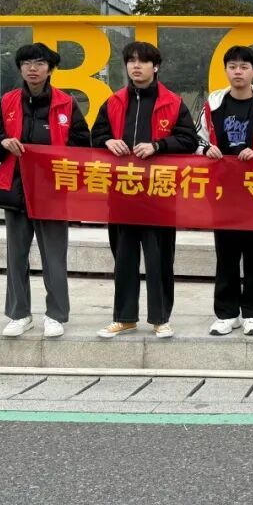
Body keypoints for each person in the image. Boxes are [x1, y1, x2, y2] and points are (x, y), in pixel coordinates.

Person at [0, 43, 90, 338]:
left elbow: (83, 145)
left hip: (52, 193)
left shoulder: (66, 104)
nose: (33, 68)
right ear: (20, 68)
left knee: (54, 258)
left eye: (40, 63)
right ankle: (19, 314)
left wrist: (57, 156)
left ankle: (56, 315)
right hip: (15, 191)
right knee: (16, 257)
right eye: (27, 63)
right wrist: (3, 143)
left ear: (50, 69)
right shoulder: (6, 103)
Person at [91, 42, 198, 339]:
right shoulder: (113, 102)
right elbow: (95, 134)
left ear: (156, 66)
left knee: (159, 259)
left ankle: (160, 318)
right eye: (131, 61)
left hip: (159, 194)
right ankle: (124, 318)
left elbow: (189, 140)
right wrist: (107, 141)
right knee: (123, 259)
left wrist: (158, 146)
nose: (136, 66)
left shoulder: (173, 103)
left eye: (143, 61)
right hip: (122, 192)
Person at [197, 45, 253, 337]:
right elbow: (197, 139)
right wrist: (206, 149)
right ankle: (226, 313)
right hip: (222, 191)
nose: (238, 72)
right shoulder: (212, 105)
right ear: (226, 70)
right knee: (226, 254)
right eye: (233, 66)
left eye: (244, 67)